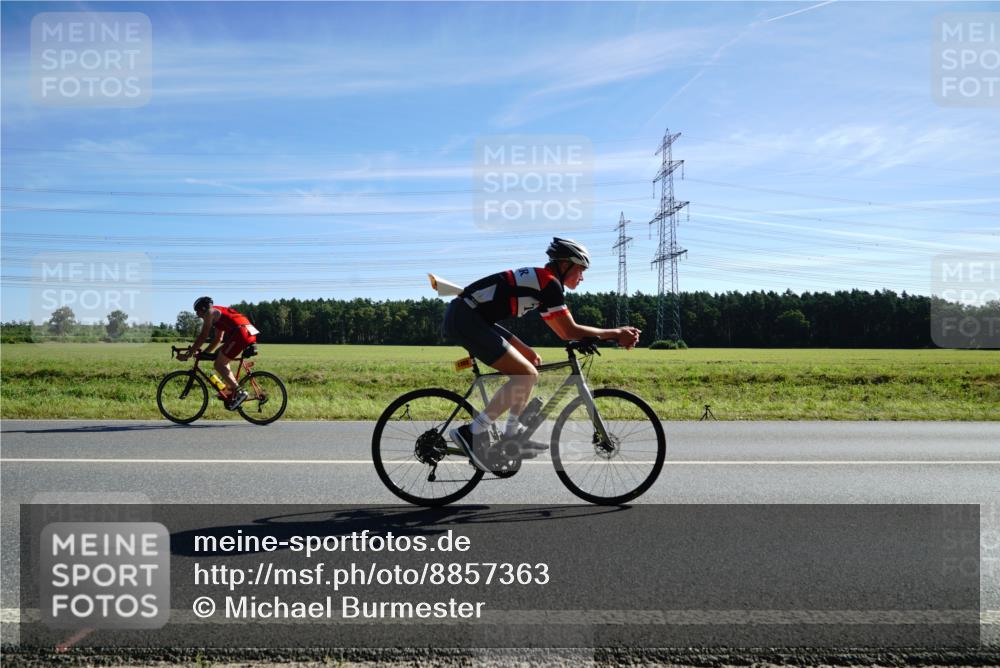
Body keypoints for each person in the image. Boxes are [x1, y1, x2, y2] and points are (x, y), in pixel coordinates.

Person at [444, 237, 641, 472]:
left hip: (475, 318)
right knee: (526, 375)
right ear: (565, 264)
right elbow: (569, 331)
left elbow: (563, 332)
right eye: (580, 269)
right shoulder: (549, 284)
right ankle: (473, 431)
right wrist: (616, 333)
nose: (582, 277)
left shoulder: (545, 283)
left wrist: (589, 338)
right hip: (467, 319)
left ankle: (510, 435)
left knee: (531, 362)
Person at [177, 296, 257, 410]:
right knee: (219, 356)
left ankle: (240, 393)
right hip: (246, 331)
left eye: (197, 311)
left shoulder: (210, 313)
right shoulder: (217, 313)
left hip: (241, 333)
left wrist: (189, 354)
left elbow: (203, 336)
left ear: (203, 309)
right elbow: (218, 339)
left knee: (219, 364)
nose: (197, 315)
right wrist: (204, 354)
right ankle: (230, 390)